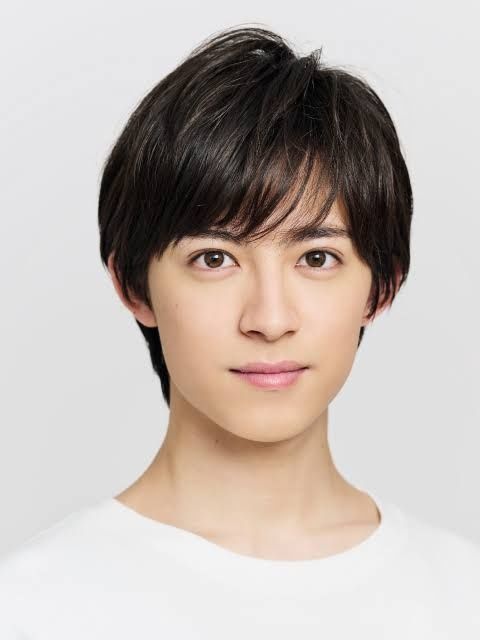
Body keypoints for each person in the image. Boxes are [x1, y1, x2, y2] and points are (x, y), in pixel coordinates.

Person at [1, 24, 479, 639]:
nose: (269, 320)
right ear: (133, 286)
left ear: (381, 287)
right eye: (214, 258)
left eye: (316, 258)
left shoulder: (460, 597)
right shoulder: (33, 607)